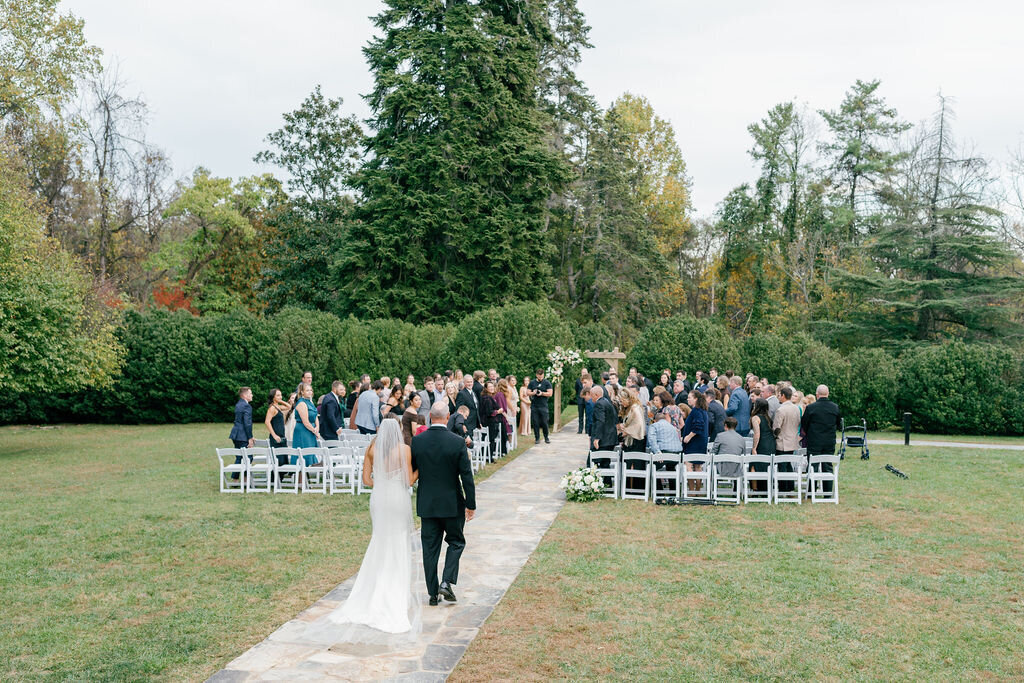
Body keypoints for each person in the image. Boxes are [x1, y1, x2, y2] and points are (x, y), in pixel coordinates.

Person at [327, 419, 421, 640]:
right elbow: (408, 482)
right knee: (398, 542)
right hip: (397, 499)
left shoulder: (372, 448)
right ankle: (396, 591)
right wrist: (420, 470)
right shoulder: (404, 450)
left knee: (380, 540)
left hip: (379, 498)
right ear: (397, 431)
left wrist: (383, 479)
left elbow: (367, 480)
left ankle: (373, 587)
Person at [412, 402, 476, 606]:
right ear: (448, 416)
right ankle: (446, 582)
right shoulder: (457, 442)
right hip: (452, 503)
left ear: (430, 416)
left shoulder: (417, 441)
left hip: (428, 503)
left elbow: (414, 471)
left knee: (430, 549)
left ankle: (432, 594)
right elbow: (467, 475)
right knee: (456, 542)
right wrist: (471, 503)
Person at [801, 384, 841, 491]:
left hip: (814, 440)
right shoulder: (835, 407)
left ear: (817, 394)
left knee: (812, 465)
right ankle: (827, 491)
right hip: (829, 441)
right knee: (827, 465)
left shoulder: (811, 407)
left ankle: (811, 491)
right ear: (828, 394)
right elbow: (838, 424)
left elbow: (804, 423)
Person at [749, 398, 776, 491]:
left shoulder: (755, 418)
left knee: (754, 465)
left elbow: (757, 433)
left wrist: (754, 448)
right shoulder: (768, 417)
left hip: (762, 443)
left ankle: (755, 489)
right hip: (770, 443)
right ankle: (765, 488)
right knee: (766, 465)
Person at [291, 383, 320, 467]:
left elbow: (315, 416)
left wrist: (317, 427)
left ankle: (307, 476)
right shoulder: (301, 403)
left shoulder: (310, 402)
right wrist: (315, 431)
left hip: (310, 430)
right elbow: (305, 422)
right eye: (307, 390)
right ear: (302, 392)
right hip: (303, 430)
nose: (310, 392)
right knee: (304, 452)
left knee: (311, 451)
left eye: (311, 390)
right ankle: (301, 476)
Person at [228, 387, 254, 479]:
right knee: (248, 457)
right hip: (243, 435)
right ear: (245, 395)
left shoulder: (238, 404)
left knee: (239, 457)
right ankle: (245, 480)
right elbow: (247, 423)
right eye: (250, 393)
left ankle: (235, 480)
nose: (252, 395)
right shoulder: (247, 406)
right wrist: (250, 437)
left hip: (236, 434)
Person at [264, 389, 291, 469]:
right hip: (276, 436)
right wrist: (274, 435)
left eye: (281, 395)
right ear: (273, 397)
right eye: (278, 395)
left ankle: (279, 479)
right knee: (278, 460)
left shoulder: (278, 406)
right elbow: (267, 422)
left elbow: (289, 407)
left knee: (283, 459)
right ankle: (274, 479)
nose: (280, 397)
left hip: (281, 435)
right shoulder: (272, 408)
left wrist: (280, 400)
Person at [528, 369, 553, 444]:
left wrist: (542, 393)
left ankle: (546, 437)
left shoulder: (546, 382)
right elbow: (527, 392)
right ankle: (537, 438)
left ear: (543, 375)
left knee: (544, 422)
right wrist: (533, 392)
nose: (540, 377)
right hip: (534, 405)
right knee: (535, 422)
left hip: (543, 405)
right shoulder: (532, 382)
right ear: (536, 375)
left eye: (541, 375)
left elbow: (550, 393)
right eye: (539, 375)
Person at [773, 386, 801, 454]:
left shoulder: (780, 410)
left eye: (779, 395)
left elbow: (776, 428)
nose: (778, 397)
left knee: (782, 463)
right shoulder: (796, 408)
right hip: (793, 442)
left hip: (782, 443)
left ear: (783, 395)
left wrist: (774, 436)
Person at [589, 386, 618, 451]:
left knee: (593, 459)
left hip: (603, 440)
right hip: (610, 439)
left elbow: (600, 421)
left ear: (596, 395)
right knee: (606, 460)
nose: (591, 398)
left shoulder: (599, 404)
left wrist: (597, 438)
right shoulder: (607, 401)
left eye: (591, 395)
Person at [617, 388, 646, 452]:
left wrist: (626, 431)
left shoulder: (635, 408)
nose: (621, 403)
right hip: (630, 440)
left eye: (622, 401)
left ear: (627, 399)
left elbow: (638, 424)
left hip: (636, 441)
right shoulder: (630, 408)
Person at [683, 390, 710, 456]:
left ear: (695, 399)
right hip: (701, 442)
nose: (687, 399)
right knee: (698, 465)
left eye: (689, 398)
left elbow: (698, 425)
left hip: (694, 443)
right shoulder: (703, 410)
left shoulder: (696, 410)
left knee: (689, 464)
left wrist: (688, 437)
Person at [479, 381, 501, 458]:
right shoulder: (487, 398)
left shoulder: (487, 397)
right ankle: (489, 457)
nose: (492, 388)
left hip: (486, 421)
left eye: (492, 386)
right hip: (489, 422)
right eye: (490, 387)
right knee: (491, 440)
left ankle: (486, 456)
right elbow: (489, 412)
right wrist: (498, 411)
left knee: (487, 439)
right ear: (486, 388)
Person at [494, 378, 512, 457]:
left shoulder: (501, 394)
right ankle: (502, 451)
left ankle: (504, 450)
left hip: (502, 416)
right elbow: (500, 408)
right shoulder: (500, 395)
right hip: (501, 417)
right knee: (503, 434)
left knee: (504, 433)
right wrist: (506, 417)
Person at [575, 369, 590, 434]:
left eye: (585, 372)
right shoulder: (578, 381)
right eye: (583, 372)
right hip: (580, 400)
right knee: (580, 415)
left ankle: (587, 429)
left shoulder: (589, 381)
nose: (584, 373)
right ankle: (580, 429)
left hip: (587, 400)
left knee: (587, 415)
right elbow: (576, 389)